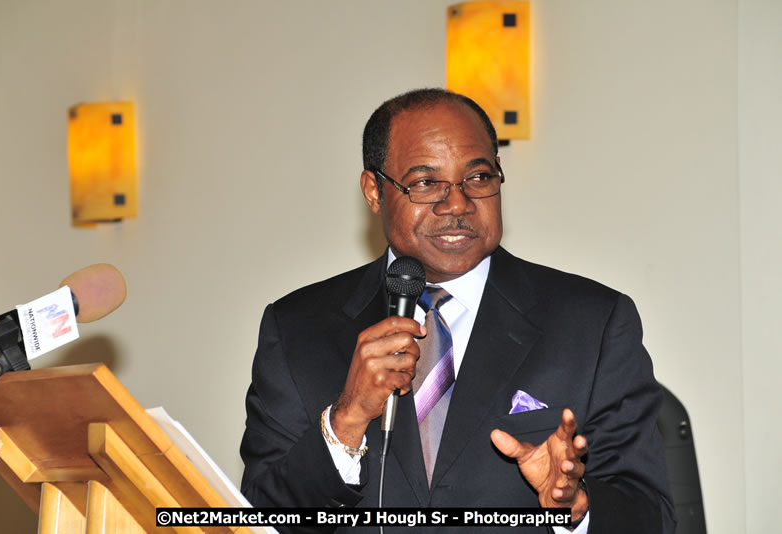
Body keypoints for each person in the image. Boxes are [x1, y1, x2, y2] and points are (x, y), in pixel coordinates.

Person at [240, 88, 675, 533]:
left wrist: (576, 507)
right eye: (426, 183)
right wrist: (344, 423)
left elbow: (652, 519)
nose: (458, 204)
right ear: (374, 191)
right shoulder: (296, 329)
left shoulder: (592, 323)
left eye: (478, 177)